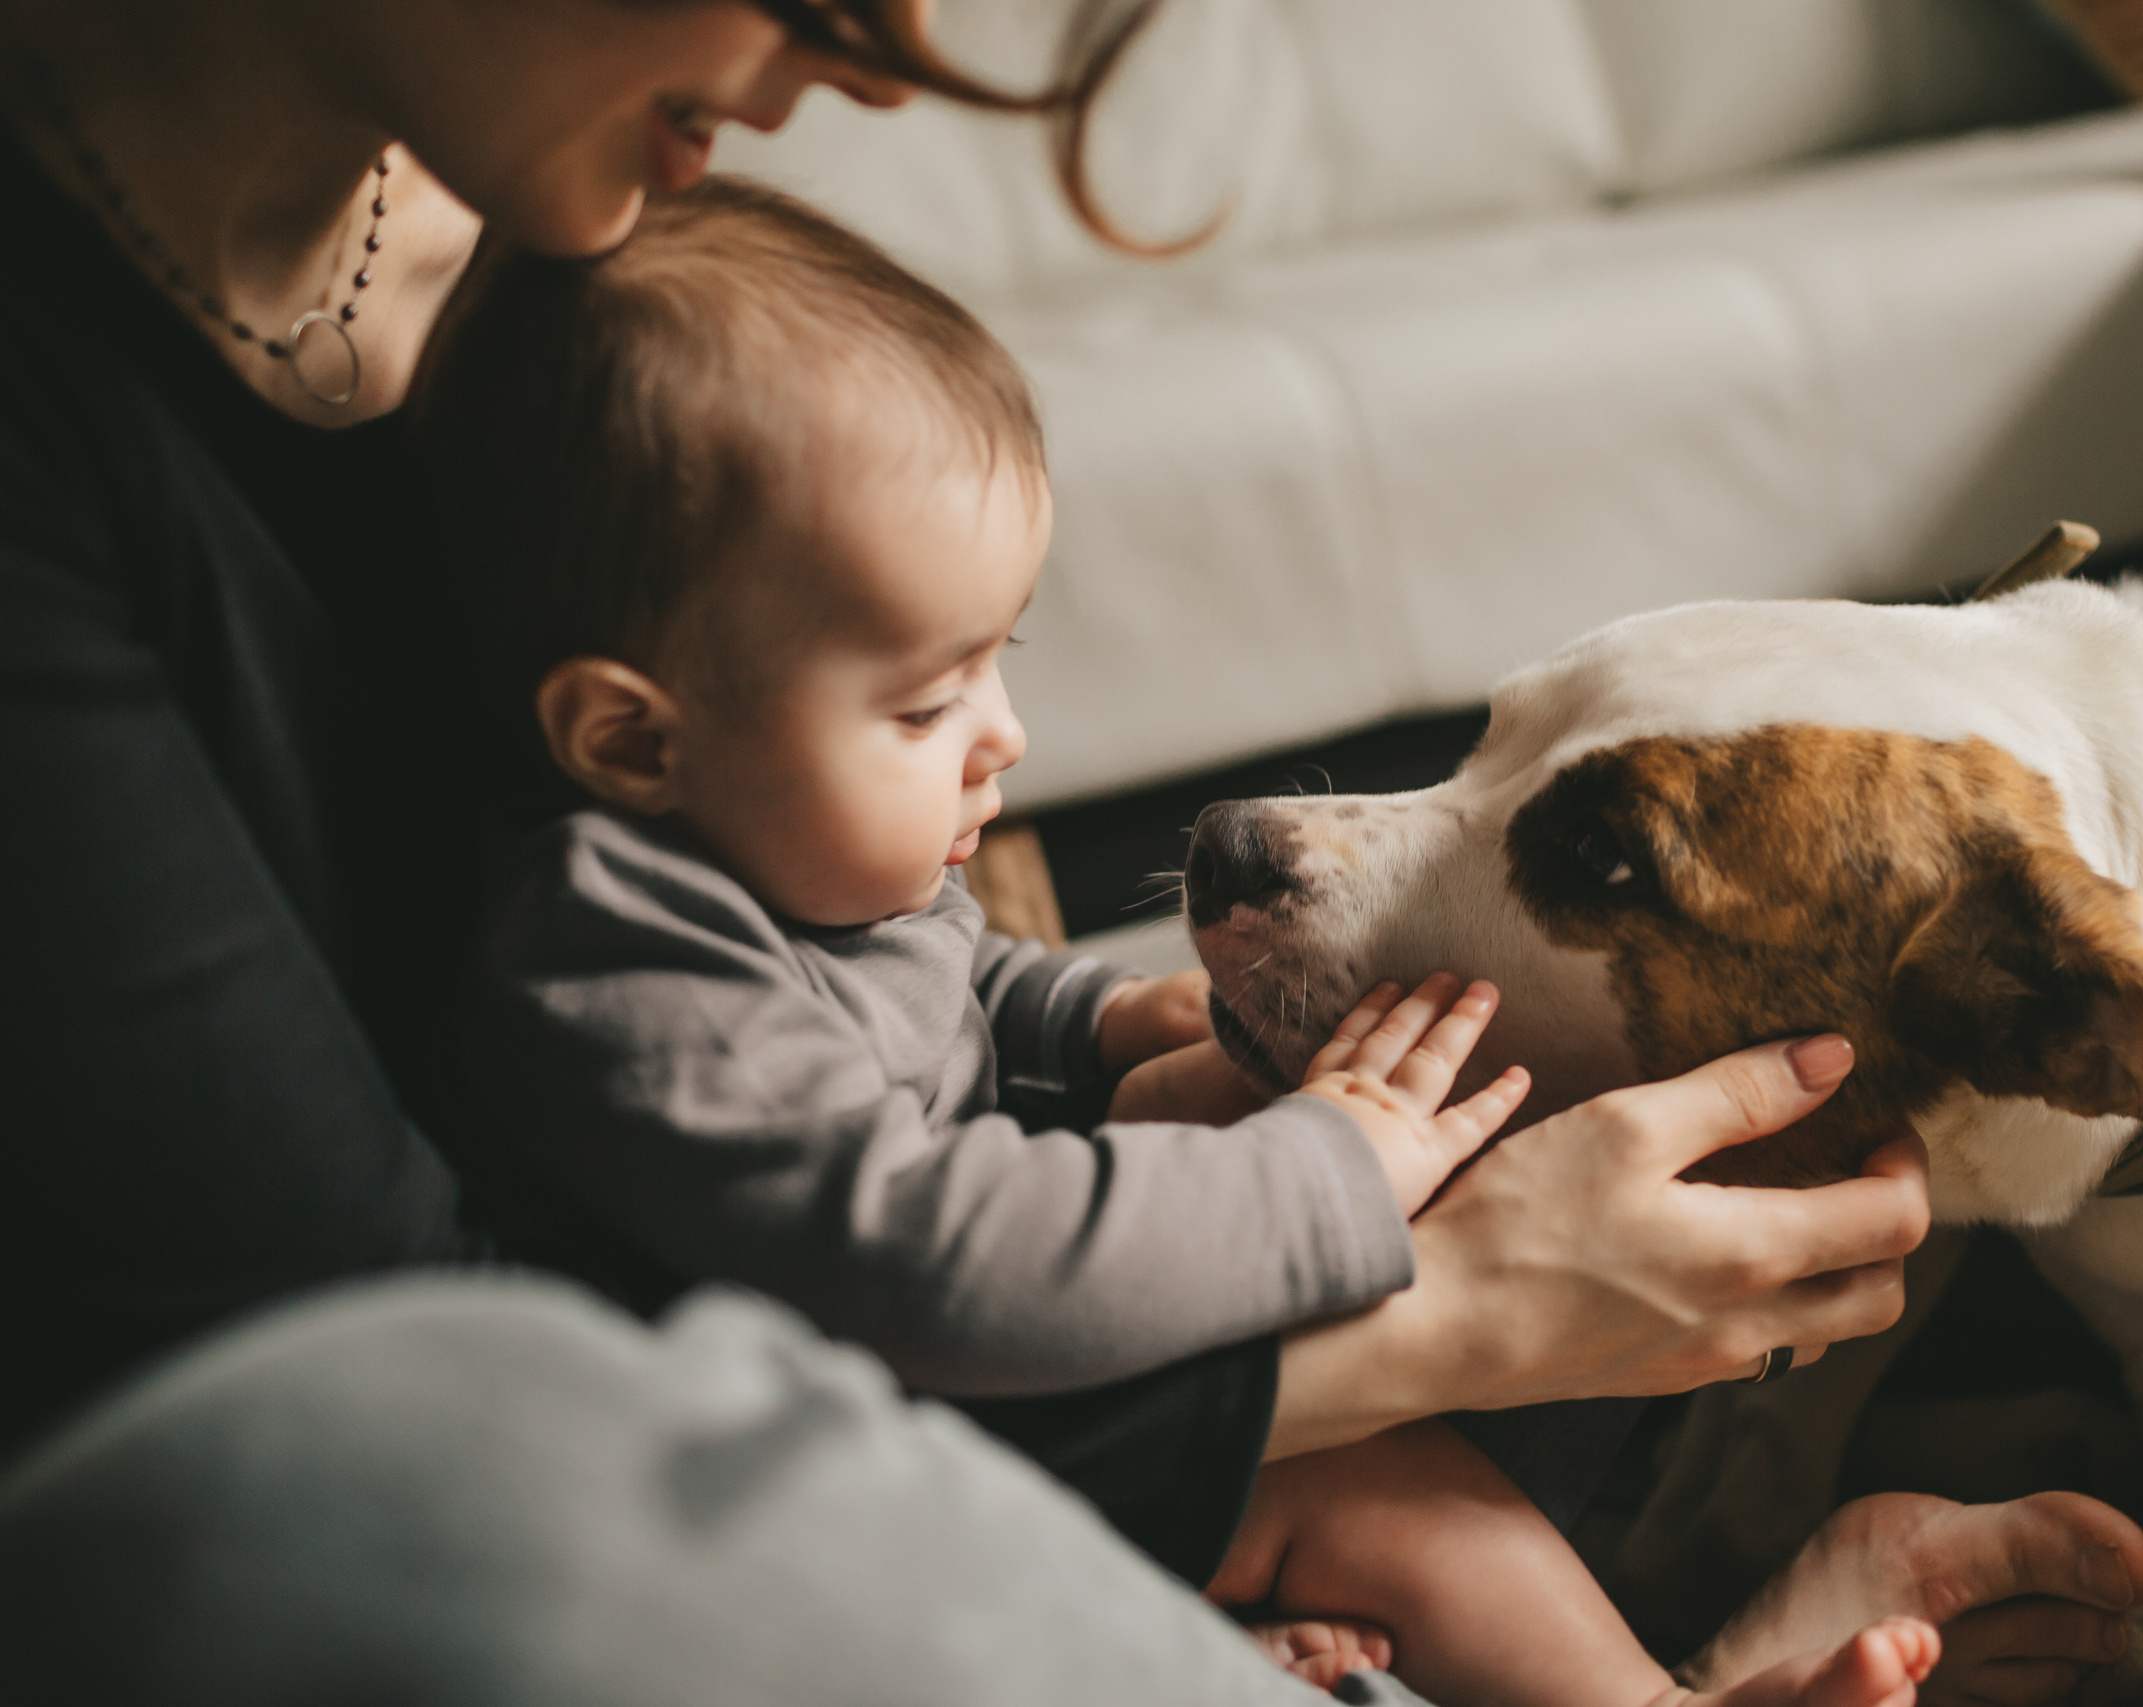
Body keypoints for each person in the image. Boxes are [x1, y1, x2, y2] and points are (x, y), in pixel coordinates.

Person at [0, 2, 2143, 1700]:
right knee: (1372, 1432)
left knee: (1365, 1320)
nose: (845, 65)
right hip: (521, 1477)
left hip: (817, 1395)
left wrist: (1140, 1034)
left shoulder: (566, 283)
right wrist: (1427, 1286)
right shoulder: (602, 895)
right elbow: (455, 1439)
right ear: (624, 738)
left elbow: (938, 984)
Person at [421, 175, 1952, 1707]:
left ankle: (1644, 1532)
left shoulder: (779, 854)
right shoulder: (627, 974)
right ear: (630, 743)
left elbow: (955, 982)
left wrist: (1101, 1029)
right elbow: (931, 1260)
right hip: (853, 1493)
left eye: (995, 664)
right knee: (1382, 1485)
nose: (1001, 738)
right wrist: (1328, 1173)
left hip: (1007, 1391)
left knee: (1351, 1112)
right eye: (922, 704)